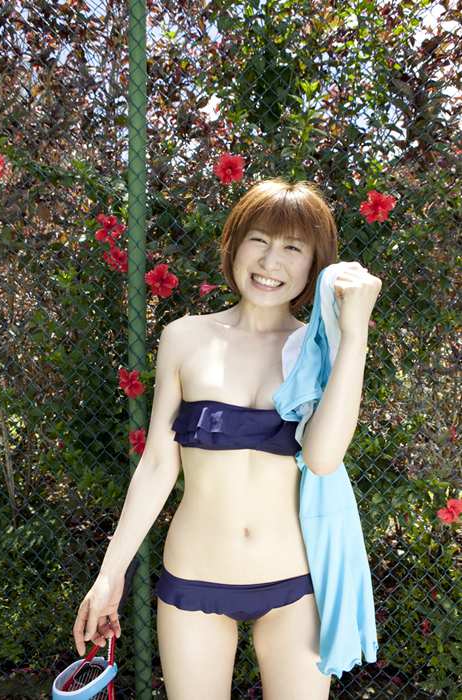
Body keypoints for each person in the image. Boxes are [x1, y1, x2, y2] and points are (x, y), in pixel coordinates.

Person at [73, 177, 381, 699]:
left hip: (295, 586)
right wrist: (110, 574)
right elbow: (158, 465)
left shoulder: (318, 349)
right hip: (193, 580)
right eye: (258, 240)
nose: (270, 262)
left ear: (314, 264)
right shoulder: (184, 337)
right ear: (234, 246)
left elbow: (324, 458)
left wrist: (354, 335)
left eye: (292, 248)